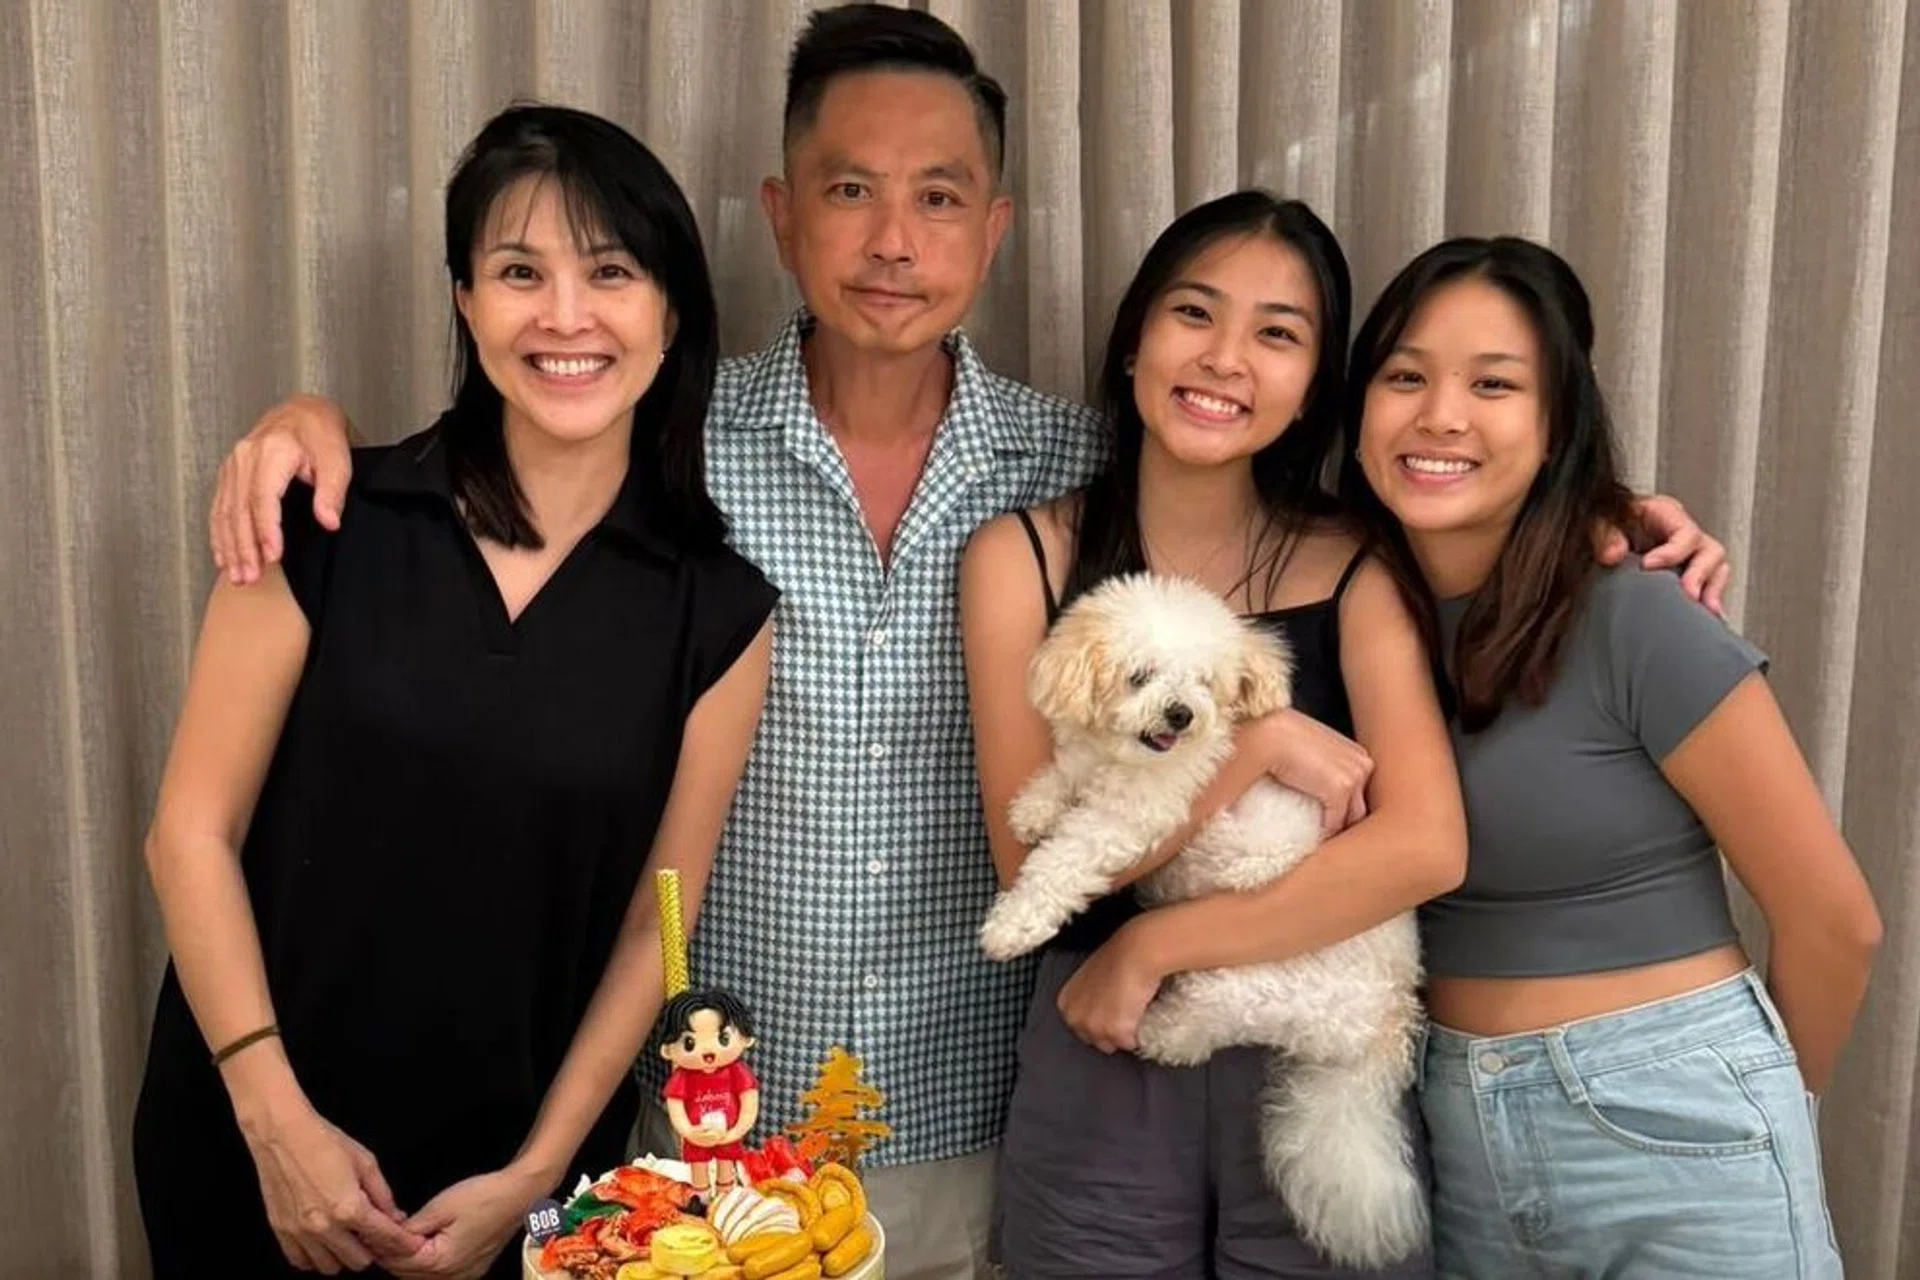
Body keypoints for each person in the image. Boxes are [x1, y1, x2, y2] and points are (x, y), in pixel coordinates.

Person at [194, 9, 1728, 1276]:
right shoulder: (667, 441)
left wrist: (1594, 517)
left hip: (971, 1121)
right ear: (782, 219)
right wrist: (304, 427)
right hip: (696, 1118)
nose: (893, 240)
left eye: (939, 196)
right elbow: (490, 460)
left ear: (994, 230)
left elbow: (1372, 537)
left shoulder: (1073, 487)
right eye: (849, 191)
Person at [132, 104, 776, 1280]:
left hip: (506, 1188)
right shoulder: (325, 519)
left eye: (612, 272)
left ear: (671, 310)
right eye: (519, 271)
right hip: (248, 1139)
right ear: (465, 298)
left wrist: (536, 1179)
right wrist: (274, 1119)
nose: (566, 316)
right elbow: (190, 831)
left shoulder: (721, 611)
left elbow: (657, 924)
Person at [1339, 236, 1881, 1277]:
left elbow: (1835, 919)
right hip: (1451, 1132)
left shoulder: (1637, 615)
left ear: (1555, 428)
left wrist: (1756, 1121)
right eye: (1405, 375)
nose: (1440, 414)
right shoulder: (1354, 622)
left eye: (1494, 384)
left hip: (1674, 1117)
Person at [963, 190, 1464, 1278]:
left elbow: (1426, 843)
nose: (1226, 357)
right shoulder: (1024, 557)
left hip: (1304, 1035)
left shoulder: (1359, 562)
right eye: (1195, 312)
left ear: (1311, 388)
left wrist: (1159, 943)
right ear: (1137, 335)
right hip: (1100, 1049)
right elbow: (1032, 863)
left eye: (1277, 332)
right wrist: (1258, 743)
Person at [655, 989, 761, 1203]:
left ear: (745, 1039)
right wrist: (690, 1133)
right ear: (668, 1050)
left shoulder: (737, 1071)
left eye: (722, 1038)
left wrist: (735, 1132)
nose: (708, 1051)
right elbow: (676, 1109)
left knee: (726, 1168)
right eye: (690, 1043)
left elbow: (749, 1104)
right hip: (697, 1136)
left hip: (728, 1134)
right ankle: (701, 1200)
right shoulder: (683, 1076)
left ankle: (725, 1198)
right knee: (699, 1171)